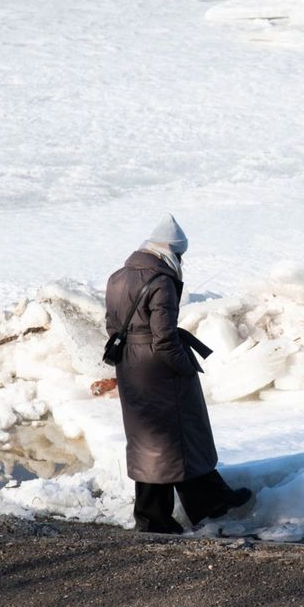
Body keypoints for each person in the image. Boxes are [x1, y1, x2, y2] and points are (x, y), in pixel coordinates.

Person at [105, 214, 252, 533]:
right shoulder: (160, 281)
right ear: (171, 251)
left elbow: (112, 326)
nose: (181, 261)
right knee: (178, 435)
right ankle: (163, 516)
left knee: (152, 439)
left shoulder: (117, 277)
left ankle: (201, 502)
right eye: (180, 254)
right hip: (159, 367)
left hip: (131, 365)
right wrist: (184, 368)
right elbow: (165, 337)